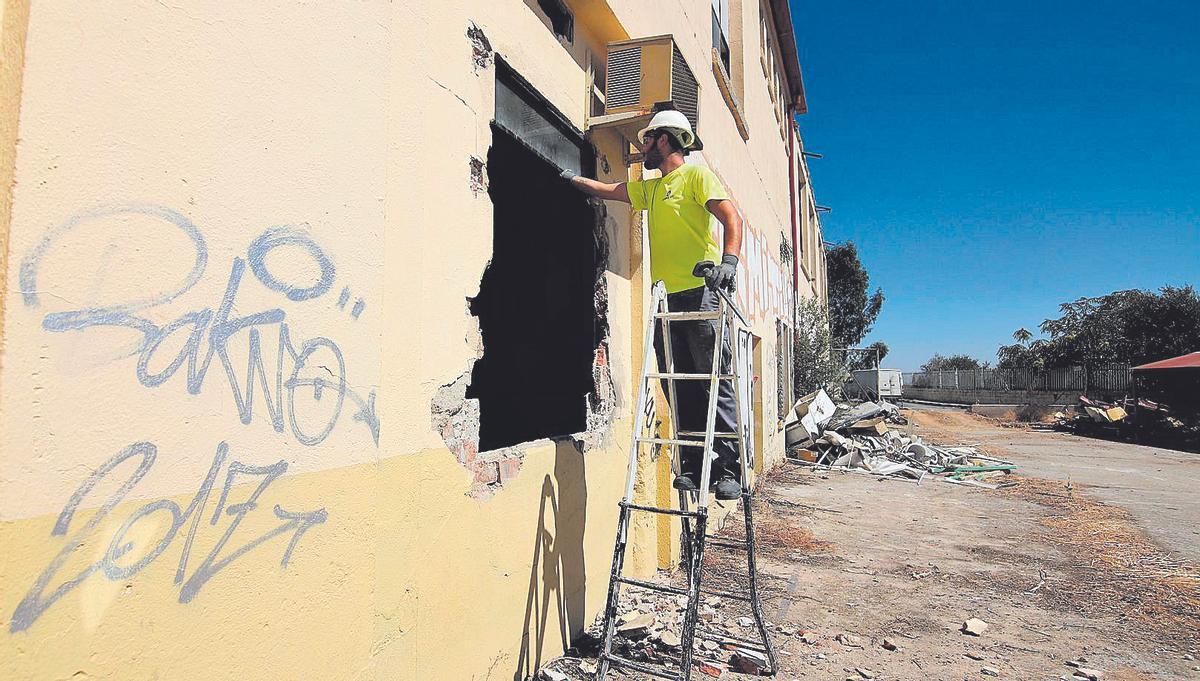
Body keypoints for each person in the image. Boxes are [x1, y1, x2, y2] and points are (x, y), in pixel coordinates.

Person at [559, 109, 745, 500]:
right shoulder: (653, 189)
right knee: (679, 385)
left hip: (702, 293)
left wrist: (729, 261)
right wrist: (567, 176)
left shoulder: (696, 176)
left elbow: (731, 218)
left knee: (713, 380)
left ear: (664, 140)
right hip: (666, 300)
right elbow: (609, 190)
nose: (642, 147)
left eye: (647, 140)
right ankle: (695, 467)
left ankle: (729, 469)